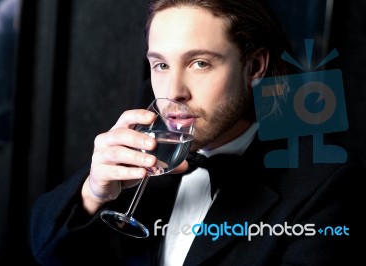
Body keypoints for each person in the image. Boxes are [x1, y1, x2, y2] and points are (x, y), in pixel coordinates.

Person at [30, 0, 365, 265]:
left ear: (255, 67)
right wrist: (93, 194)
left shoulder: (328, 184)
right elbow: (49, 253)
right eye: (161, 65)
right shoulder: (144, 149)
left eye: (200, 63)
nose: (173, 92)